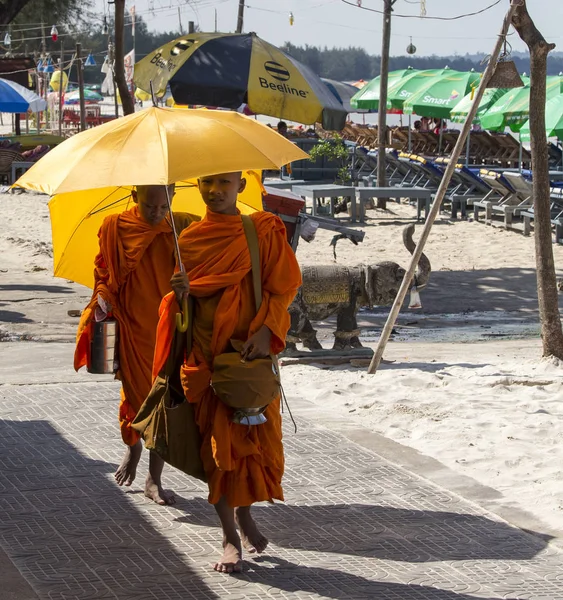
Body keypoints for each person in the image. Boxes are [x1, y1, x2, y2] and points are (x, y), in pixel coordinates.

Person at [155, 172, 301, 573]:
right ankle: (228, 535)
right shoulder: (189, 242)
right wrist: (180, 294)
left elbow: (283, 288)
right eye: (207, 182)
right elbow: (184, 315)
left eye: (224, 183)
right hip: (207, 359)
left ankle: (246, 514)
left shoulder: (264, 230)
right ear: (198, 186)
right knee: (217, 451)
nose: (215, 191)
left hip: (251, 357)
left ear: (240, 184)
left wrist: (267, 330)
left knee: (254, 444)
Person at [74, 185, 198, 505]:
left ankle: (153, 479)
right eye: (149, 206)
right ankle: (132, 448)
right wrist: (102, 296)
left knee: (166, 402)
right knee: (134, 397)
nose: (157, 213)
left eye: (163, 205)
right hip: (132, 327)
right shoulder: (116, 228)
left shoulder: (183, 226)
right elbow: (103, 272)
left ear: (173, 195)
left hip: (168, 328)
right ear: (134, 196)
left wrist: (189, 276)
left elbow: (203, 270)